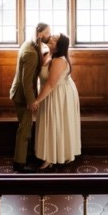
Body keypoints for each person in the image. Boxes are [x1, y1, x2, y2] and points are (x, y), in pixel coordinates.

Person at [31, 33, 82, 170]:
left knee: (56, 122)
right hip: (53, 92)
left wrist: (37, 101)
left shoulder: (59, 60)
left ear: (58, 47)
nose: (51, 38)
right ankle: (50, 154)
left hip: (59, 94)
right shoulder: (49, 53)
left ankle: (52, 157)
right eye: (52, 36)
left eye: (54, 39)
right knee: (53, 123)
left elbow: (50, 84)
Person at [9, 22, 48, 172]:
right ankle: (19, 163)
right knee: (24, 129)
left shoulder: (31, 44)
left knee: (27, 127)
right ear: (40, 34)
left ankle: (26, 155)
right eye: (47, 32)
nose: (49, 35)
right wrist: (31, 101)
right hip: (22, 96)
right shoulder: (31, 53)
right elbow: (26, 81)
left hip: (23, 93)